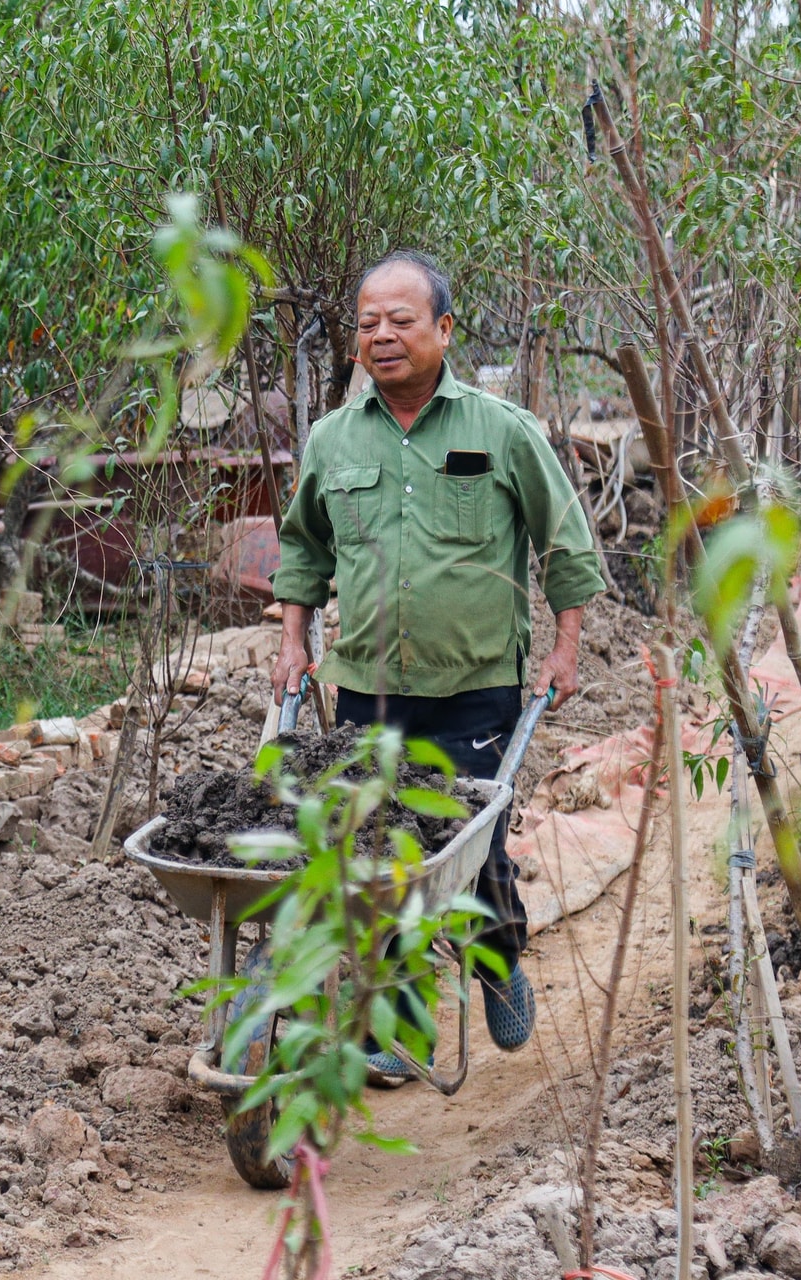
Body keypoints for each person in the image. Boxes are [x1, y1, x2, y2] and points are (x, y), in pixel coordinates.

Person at [268, 249, 604, 1081]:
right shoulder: (332, 440)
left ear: (444, 331)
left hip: (475, 687)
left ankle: (496, 962)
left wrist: (565, 645)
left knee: (468, 848)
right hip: (368, 696)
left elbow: (564, 536)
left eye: (401, 320)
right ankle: (404, 1025)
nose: (382, 337)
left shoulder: (501, 430)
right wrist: (292, 640)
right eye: (367, 323)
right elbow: (303, 550)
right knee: (381, 859)